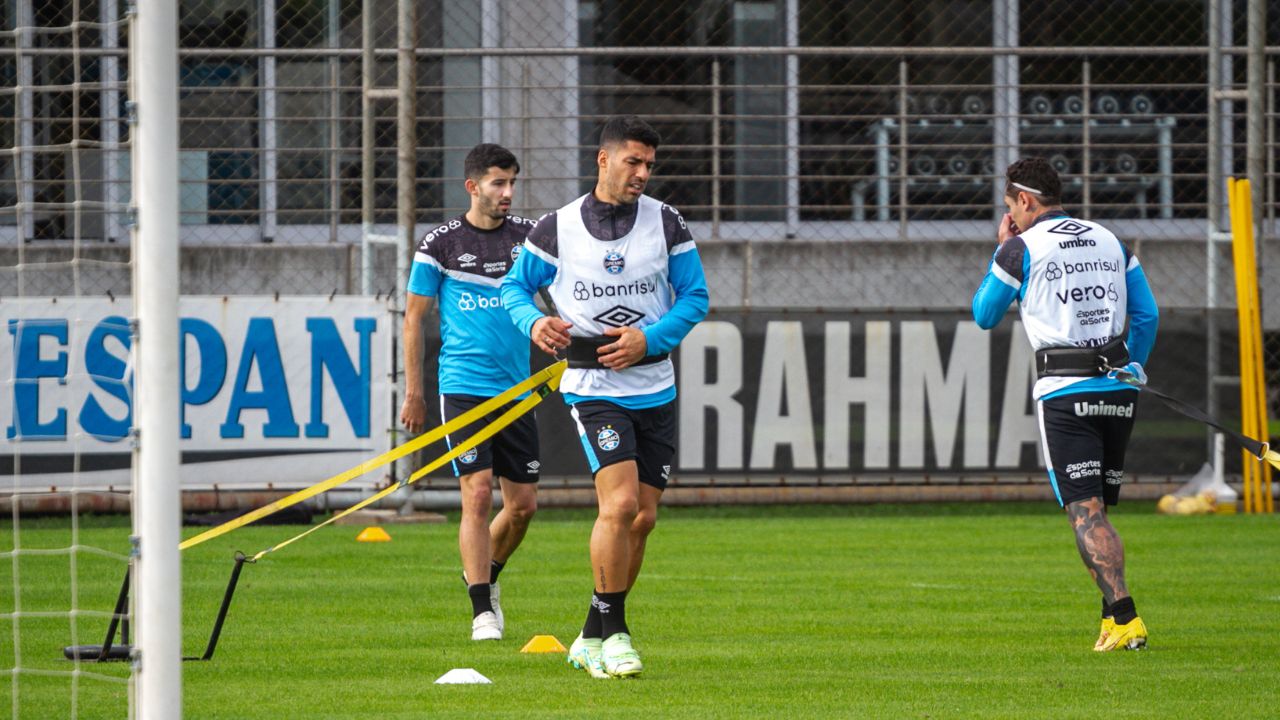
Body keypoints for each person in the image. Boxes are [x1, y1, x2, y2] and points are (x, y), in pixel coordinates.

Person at [501, 116, 709, 678]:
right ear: (603, 159)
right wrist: (533, 323)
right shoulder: (558, 226)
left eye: (649, 165)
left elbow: (696, 297)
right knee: (616, 506)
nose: (642, 174)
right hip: (593, 387)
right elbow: (514, 288)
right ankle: (616, 633)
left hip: (655, 384)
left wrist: (651, 339)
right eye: (632, 162)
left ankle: (591, 635)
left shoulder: (667, 223)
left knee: (641, 519)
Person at [972, 157, 1159, 652]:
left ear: (1024, 202)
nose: (1010, 212)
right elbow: (1147, 315)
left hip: (1065, 391)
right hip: (1119, 386)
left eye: (1010, 204)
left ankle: (1125, 619)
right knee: (1099, 512)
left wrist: (1003, 249)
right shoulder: (1108, 239)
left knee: (1086, 513)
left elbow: (985, 314)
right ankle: (1110, 620)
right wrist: (1134, 366)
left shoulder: (1020, 248)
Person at [401, 143, 540, 642]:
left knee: (523, 507)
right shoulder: (438, 244)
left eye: (512, 184)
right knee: (477, 494)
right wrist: (415, 392)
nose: (508, 193)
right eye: (498, 183)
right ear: (472, 187)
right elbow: (414, 319)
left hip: (518, 390)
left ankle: (484, 575)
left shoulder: (530, 239)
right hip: (462, 387)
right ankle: (482, 610)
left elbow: (561, 291)